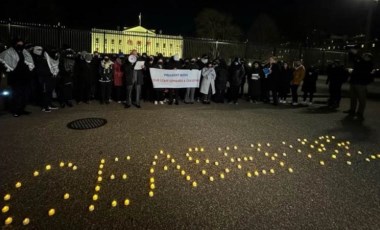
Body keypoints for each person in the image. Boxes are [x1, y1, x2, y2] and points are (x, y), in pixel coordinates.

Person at [0, 37, 34, 117]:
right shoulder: (9, 52)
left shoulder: (24, 52)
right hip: (15, 77)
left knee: (25, 94)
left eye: (22, 43)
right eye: (19, 43)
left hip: (25, 76)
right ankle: (16, 110)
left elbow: (29, 62)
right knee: (16, 95)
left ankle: (22, 109)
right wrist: (7, 69)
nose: (21, 44)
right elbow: (3, 60)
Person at [344, 52, 374, 120]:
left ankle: (360, 113)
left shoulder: (368, 64)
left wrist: (352, 71)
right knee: (353, 97)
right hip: (354, 82)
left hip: (361, 84)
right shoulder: (361, 62)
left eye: (365, 55)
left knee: (362, 99)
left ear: (368, 58)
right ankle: (352, 110)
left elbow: (361, 71)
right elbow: (355, 63)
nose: (363, 56)